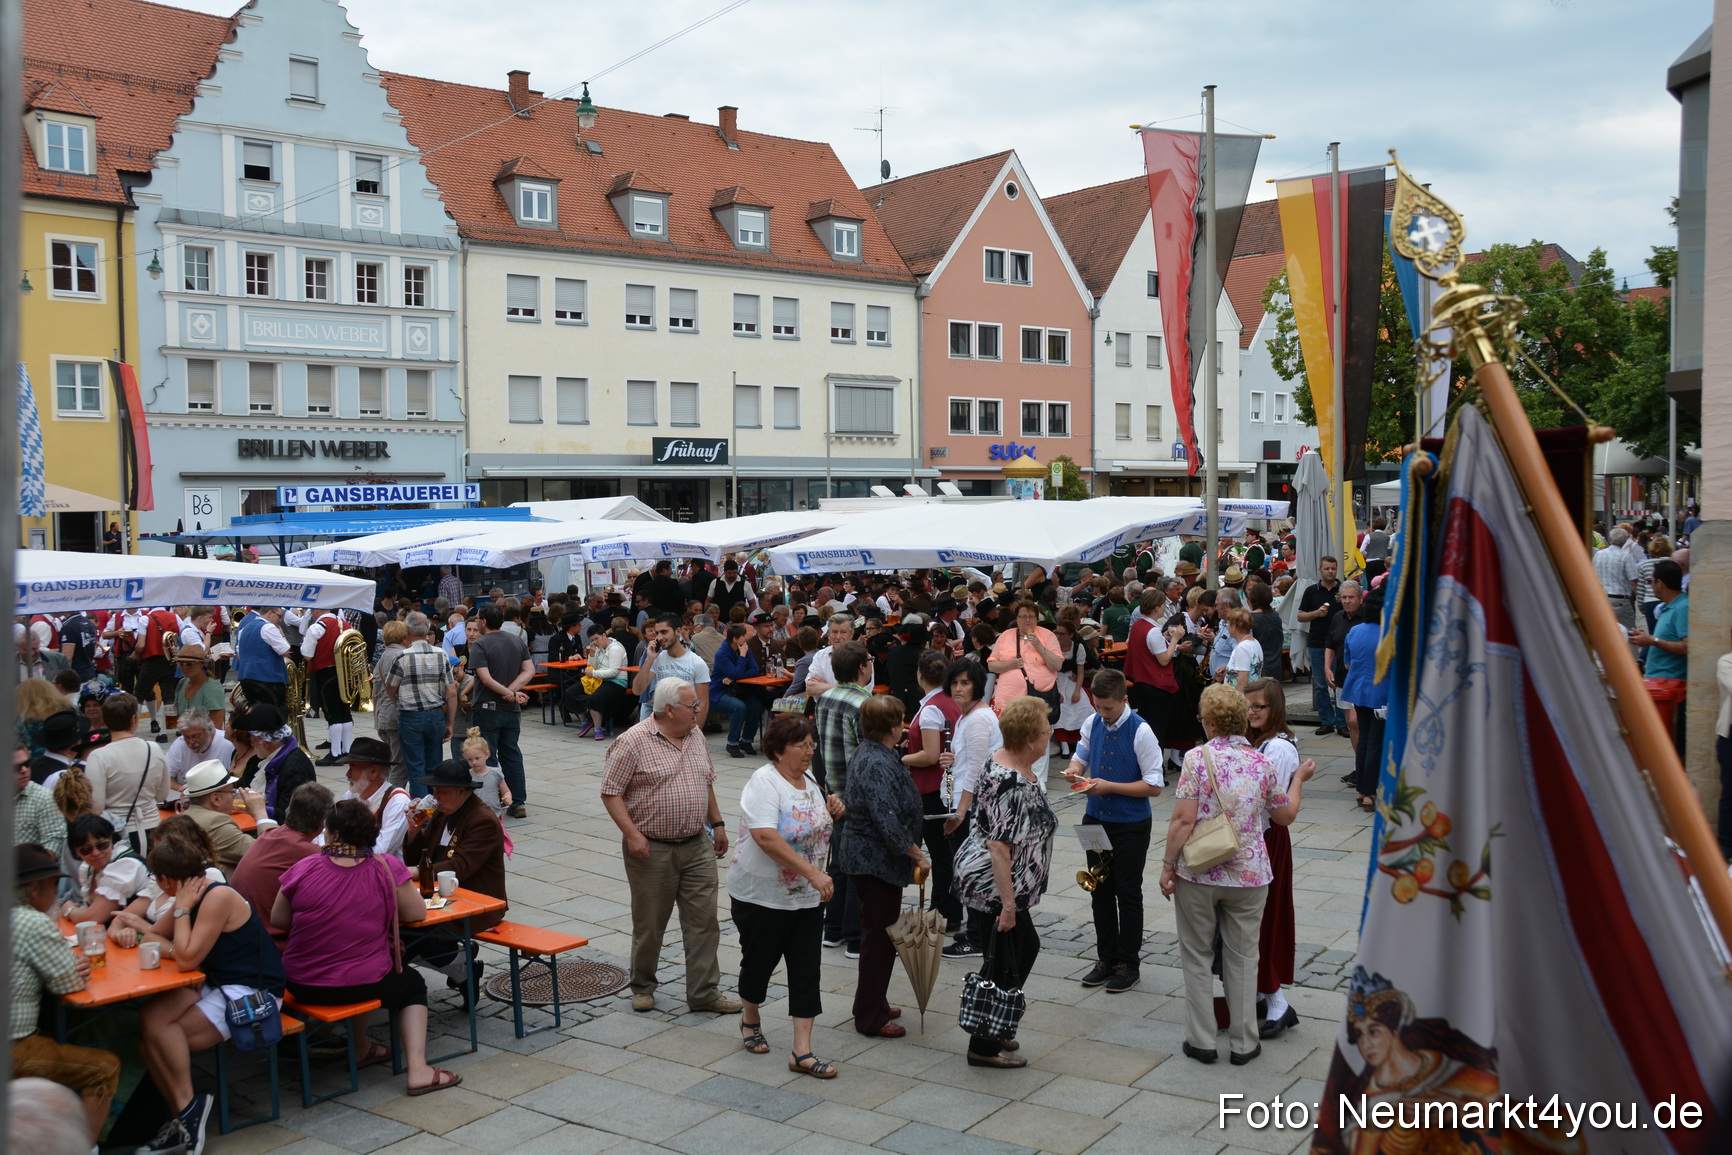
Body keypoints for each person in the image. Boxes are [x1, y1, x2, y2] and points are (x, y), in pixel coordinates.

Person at [1160, 684, 1313, 1067]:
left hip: (1200, 873)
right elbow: (1283, 816)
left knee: (1196, 955)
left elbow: (1182, 819)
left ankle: (1202, 1040)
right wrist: (1297, 782)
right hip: (1250, 875)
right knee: (1245, 957)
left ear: (1210, 721)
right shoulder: (1261, 762)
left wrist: (1167, 866)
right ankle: (1245, 1042)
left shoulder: (1196, 759)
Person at [275, 798, 463, 1096]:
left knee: (362, 966)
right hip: (361, 981)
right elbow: (417, 914)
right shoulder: (385, 868)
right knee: (411, 985)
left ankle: (361, 1048)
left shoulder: (304, 867)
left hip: (301, 982)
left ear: (334, 834)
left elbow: (279, 919)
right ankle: (418, 1069)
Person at [135, 833, 286, 1155]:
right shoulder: (189, 894)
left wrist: (180, 917)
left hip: (252, 991)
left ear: (164, 879)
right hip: (216, 980)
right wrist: (178, 946)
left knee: (162, 1036)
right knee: (149, 1021)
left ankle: (184, 1116)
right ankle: (185, 1113)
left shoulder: (213, 896)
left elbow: (187, 959)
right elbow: (150, 937)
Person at [601, 679, 741, 1015]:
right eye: (692, 705)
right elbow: (610, 791)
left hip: (697, 844)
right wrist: (633, 835)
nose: (698, 710)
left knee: (704, 922)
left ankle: (704, 992)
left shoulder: (696, 735)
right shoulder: (633, 741)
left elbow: (705, 781)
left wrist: (718, 824)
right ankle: (643, 986)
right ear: (669, 710)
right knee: (650, 923)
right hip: (652, 848)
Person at [727, 714, 845, 1075]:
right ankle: (750, 1017)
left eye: (812, 744)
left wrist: (832, 810)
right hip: (761, 896)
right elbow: (766, 837)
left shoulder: (809, 778)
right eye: (802, 745)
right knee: (759, 964)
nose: (810, 751)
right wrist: (812, 873)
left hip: (806, 897)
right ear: (778, 750)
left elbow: (812, 820)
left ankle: (801, 1051)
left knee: (807, 969)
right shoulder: (763, 783)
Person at [951, 696, 1057, 1068]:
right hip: (993, 883)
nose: (1050, 736)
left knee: (1014, 952)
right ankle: (983, 1044)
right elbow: (999, 846)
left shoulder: (1006, 760)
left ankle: (995, 1025)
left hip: (992, 879)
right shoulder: (1011, 779)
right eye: (1046, 731)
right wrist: (1009, 905)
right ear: (1030, 739)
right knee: (1011, 954)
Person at [1062, 669, 1164, 994]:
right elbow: (1081, 755)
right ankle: (1105, 958)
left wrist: (1109, 787)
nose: (1102, 714)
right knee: (1099, 890)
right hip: (1095, 820)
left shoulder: (1141, 731)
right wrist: (1074, 771)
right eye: (1098, 707)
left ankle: (1128, 964)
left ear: (1124, 700)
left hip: (1131, 824)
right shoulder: (1092, 723)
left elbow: (1154, 785)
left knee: (1128, 893)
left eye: (1108, 708)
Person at [11, 845, 121, 1144]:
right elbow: (68, 984)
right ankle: (80, 1149)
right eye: (52, 885)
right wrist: (74, 966)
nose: (56, 891)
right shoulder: (30, 922)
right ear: (34, 889)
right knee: (103, 1069)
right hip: (13, 1048)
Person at [839, 694, 929, 1040]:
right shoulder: (875, 761)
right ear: (892, 726)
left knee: (878, 935)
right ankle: (869, 1016)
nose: (903, 725)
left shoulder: (878, 753)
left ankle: (874, 1000)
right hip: (872, 862)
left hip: (875, 860)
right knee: (879, 939)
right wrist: (917, 854)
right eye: (901, 719)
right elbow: (887, 820)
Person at [401, 758, 509, 1004]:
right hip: (439, 895)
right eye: (434, 791)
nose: (435, 797)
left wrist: (410, 873)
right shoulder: (443, 811)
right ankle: (460, 964)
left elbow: (458, 867)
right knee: (404, 928)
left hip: (474, 901)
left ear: (463, 791)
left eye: (442, 791)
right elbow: (421, 857)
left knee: (416, 935)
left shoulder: (482, 820)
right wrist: (414, 830)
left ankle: (460, 964)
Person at [1245, 679, 1310, 1039]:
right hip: (1255, 838)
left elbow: (1277, 807)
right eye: (1249, 705)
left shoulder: (1279, 749)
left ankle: (1277, 1001)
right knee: (1250, 920)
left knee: (1265, 919)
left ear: (1276, 709)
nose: (1252, 712)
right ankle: (1258, 991)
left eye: (1260, 707)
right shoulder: (1260, 741)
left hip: (1267, 839)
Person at [813, 641, 874, 956]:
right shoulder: (864, 702)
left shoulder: (826, 697)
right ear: (863, 667)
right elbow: (870, 753)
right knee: (857, 866)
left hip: (834, 790)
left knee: (838, 861)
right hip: (858, 794)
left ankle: (832, 929)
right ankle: (853, 936)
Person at [902, 650, 962, 936]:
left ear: (919, 675)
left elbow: (930, 755)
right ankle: (949, 908)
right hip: (947, 785)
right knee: (946, 852)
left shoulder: (931, 708)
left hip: (932, 787)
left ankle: (944, 910)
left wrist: (901, 758)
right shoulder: (950, 701)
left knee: (940, 854)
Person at [232, 781, 333, 948]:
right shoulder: (312, 854)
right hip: (270, 945)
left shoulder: (269, 835)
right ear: (324, 822)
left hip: (244, 933)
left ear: (289, 810)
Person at [465, 604, 534, 819]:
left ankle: (492, 802)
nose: (475, 623)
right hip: (511, 709)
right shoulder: (515, 640)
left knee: (488, 755)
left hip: (487, 708)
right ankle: (518, 801)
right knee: (512, 752)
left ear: (484, 622)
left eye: (477, 619)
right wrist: (512, 692)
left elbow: (484, 679)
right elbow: (529, 670)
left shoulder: (480, 644)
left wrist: (508, 692)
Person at [82, 691, 171, 855]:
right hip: (153, 828)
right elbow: (161, 795)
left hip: (118, 833)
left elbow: (97, 805)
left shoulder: (98, 756)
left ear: (107, 721)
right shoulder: (154, 749)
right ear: (133, 719)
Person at [385, 612, 455, 802]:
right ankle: (436, 813)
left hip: (411, 716)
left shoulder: (401, 656)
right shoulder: (441, 654)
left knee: (416, 769)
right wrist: (450, 722)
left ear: (407, 630)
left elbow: (390, 687)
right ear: (427, 631)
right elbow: (452, 692)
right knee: (434, 767)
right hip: (435, 714)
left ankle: (422, 819)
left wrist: (397, 701)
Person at [181, 759, 276, 877]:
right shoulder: (216, 822)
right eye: (231, 791)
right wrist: (260, 813)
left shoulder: (186, 816)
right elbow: (271, 852)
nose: (233, 797)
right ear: (215, 798)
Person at [1631, 559, 1689, 749]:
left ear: (1660, 583)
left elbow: (1686, 647)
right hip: (1661, 688)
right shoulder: (1669, 607)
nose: (1651, 585)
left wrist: (1652, 641)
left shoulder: (1682, 608)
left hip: (1671, 691)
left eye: (1651, 581)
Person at [1340, 587, 1389, 809]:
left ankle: (1361, 789)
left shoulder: (1355, 631)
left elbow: (1347, 663)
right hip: (1380, 694)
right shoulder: (1389, 633)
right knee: (1376, 742)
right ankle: (1370, 792)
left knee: (1364, 740)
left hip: (1358, 690)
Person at [60, 813, 155, 926]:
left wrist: (69, 909)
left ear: (111, 840)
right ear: (76, 853)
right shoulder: (88, 868)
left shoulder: (125, 866)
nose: (96, 853)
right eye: (86, 849)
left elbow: (91, 919)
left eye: (102, 845)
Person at [232, 704, 315, 823]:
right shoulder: (274, 757)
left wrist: (250, 808)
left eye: (253, 739)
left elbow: (287, 815)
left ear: (266, 742)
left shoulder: (295, 768)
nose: (251, 744)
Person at [332, 736, 411, 859]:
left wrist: (338, 853)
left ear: (373, 771)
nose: (347, 774)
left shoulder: (397, 801)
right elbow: (327, 830)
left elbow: (381, 850)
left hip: (385, 873)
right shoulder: (351, 795)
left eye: (352, 767)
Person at [632, 613, 711, 727]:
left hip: (684, 723)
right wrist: (649, 659)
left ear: (678, 631)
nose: (659, 637)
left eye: (664, 632)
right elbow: (637, 690)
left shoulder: (697, 663)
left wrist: (695, 732)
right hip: (660, 723)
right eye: (657, 633)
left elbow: (703, 703)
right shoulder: (657, 658)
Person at [1296, 555, 1346, 735]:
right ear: (1320, 570)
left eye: (1333, 568)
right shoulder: (1312, 591)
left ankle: (1342, 723)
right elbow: (1300, 616)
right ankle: (1327, 721)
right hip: (1318, 642)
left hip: (1341, 644)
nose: (1330, 571)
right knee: (1320, 684)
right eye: (1327, 568)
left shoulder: (1344, 590)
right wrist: (1316, 613)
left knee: (1341, 683)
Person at [565, 626, 631, 741]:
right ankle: (585, 720)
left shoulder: (615, 648)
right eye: (592, 640)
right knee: (570, 693)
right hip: (599, 680)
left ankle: (598, 728)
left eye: (596, 639)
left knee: (595, 698)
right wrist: (592, 655)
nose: (595, 642)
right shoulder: (599, 648)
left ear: (604, 635)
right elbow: (593, 666)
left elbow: (614, 672)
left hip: (617, 682)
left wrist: (594, 673)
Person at [711, 622, 764, 759]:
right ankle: (732, 743)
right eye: (743, 636)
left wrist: (734, 677)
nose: (745, 639)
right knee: (739, 708)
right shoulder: (722, 654)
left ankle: (746, 741)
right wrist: (742, 657)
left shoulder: (744, 649)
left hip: (738, 689)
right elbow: (735, 673)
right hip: (719, 692)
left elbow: (755, 670)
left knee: (756, 706)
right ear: (735, 638)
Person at [1050, 618, 1096, 758]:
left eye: (1062, 634)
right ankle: (1064, 745)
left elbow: (1080, 672)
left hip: (1071, 679)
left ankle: (1078, 741)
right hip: (1055, 681)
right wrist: (1056, 692)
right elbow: (1050, 672)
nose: (1058, 637)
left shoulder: (1078, 647)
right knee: (1061, 707)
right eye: (1057, 633)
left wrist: (1077, 690)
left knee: (1082, 704)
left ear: (1070, 635)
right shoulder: (1053, 648)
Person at [371, 619, 409, 788]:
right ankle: (393, 803)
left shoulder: (381, 659)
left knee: (390, 765)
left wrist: (376, 719)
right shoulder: (402, 656)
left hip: (382, 716)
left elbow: (375, 694)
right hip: (397, 716)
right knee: (399, 768)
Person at [233, 606, 291, 709]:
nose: (280, 619)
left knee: (255, 712)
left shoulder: (244, 629)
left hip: (246, 677)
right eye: (279, 616)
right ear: (270, 613)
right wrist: (281, 634)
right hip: (268, 678)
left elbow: (239, 656)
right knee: (273, 714)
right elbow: (285, 651)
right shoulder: (269, 627)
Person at [165, 709, 235, 793]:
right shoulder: (180, 744)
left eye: (196, 736)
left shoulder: (227, 743)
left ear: (210, 730)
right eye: (186, 737)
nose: (191, 742)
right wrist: (183, 789)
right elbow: (164, 777)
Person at [170, 644, 226, 733]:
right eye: (181, 663)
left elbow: (216, 729)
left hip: (207, 742)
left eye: (189, 664)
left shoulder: (212, 689)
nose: (184, 667)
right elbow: (175, 718)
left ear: (201, 664)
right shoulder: (182, 683)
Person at [1594, 527, 1641, 632]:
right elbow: (1633, 581)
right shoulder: (1626, 556)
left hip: (1601, 598)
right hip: (1619, 600)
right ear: (1625, 541)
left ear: (1610, 539)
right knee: (1629, 632)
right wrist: (1639, 599)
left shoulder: (1598, 555)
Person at [461, 727, 513, 818]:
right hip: (474, 817)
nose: (474, 762)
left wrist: (507, 797)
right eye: (469, 759)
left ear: (487, 754)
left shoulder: (495, 773)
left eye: (477, 758)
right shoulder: (466, 776)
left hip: (494, 816)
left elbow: (506, 791)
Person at [1220, 608, 1263, 691]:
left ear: (1234, 626)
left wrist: (1238, 702)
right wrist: (1229, 671)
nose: (1227, 627)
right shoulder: (1255, 642)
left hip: (1240, 699)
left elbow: (1243, 682)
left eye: (1228, 624)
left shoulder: (1242, 648)